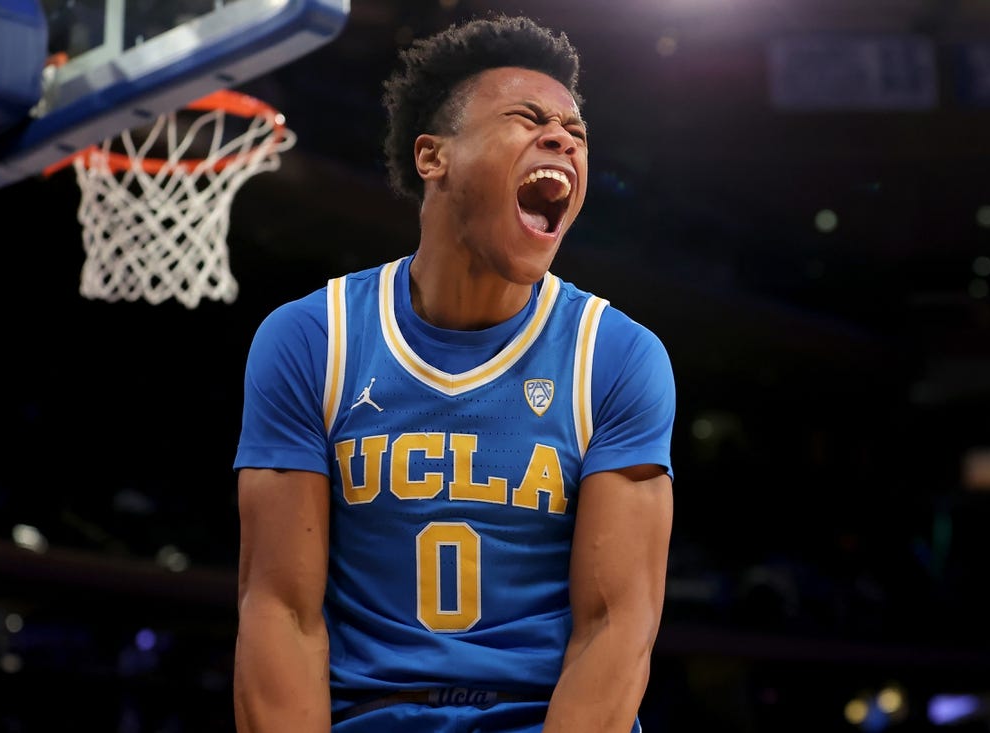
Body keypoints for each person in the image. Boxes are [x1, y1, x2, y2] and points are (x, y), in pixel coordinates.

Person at [232, 13, 676, 733]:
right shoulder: (314, 338)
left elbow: (615, 626)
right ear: (434, 156)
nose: (563, 137)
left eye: (576, 132)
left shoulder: (615, 355)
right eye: (528, 119)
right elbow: (280, 610)